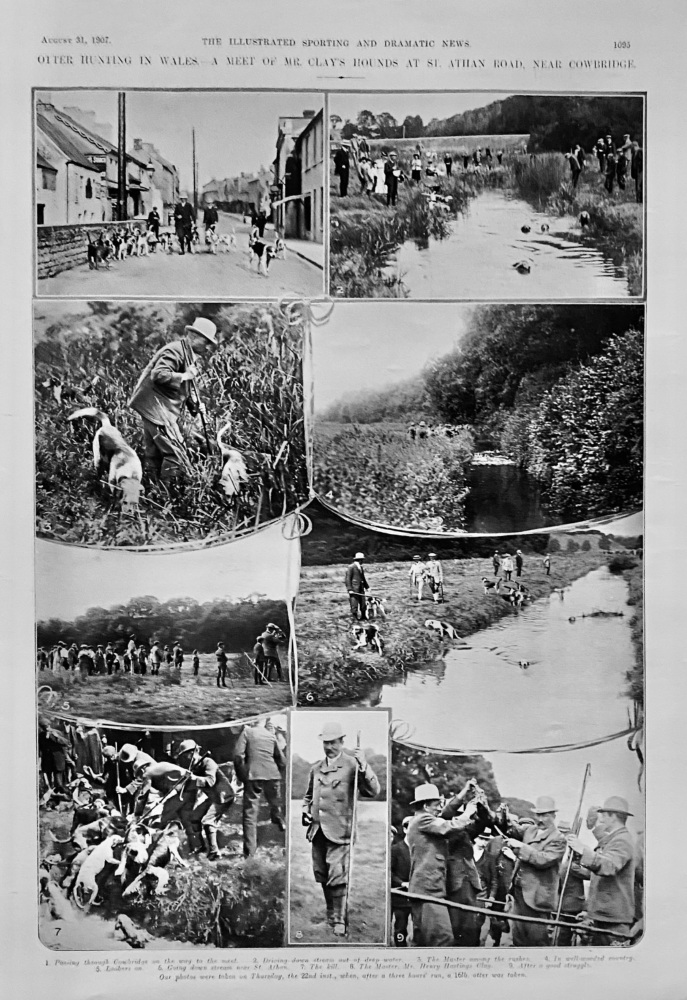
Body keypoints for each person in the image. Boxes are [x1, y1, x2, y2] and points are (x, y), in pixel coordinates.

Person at [302, 720, 380, 936]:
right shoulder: (316, 768)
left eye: (333, 743)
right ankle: (330, 913)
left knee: (338, 874)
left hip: (340, 829)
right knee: (322, 873)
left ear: (342, 741)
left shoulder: (353, 765)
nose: (329, 747)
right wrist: (306, 811)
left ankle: (339, 919)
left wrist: (364, 765)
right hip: (317, 830)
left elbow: (373, 791)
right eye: (325, 743)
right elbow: (308, 796)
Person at [129, 316, 217, 484]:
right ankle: (166, 493)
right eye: (206, 342)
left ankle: (151, 489)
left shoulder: (186, 354)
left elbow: (187, 387)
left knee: (153, 451)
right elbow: (159, 375)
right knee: (176, 451)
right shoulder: (175, 350)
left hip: (153, 407)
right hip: (157, 408)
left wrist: (197, 407)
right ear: (193, 337)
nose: (208, 347)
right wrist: (184, 375)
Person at [406, 782, 480, 946]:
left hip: (423, 889)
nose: (440, 808)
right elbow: (448, 825)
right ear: (425, 806)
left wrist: (462, 794)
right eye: (437, 804)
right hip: (429, 891)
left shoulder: (420, 820)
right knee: (443, 939)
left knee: (420, 941)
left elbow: (445, 814)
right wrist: (468, 812)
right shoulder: (423, 819)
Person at [566, 795, 636, 944]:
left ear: (614, 817)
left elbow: (608, 867)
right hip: (604, 917)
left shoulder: (623, 841)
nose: (601, 819)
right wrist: (590, 911)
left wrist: (583, 849)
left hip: (614, 921)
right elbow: (598, 879)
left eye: (604, 815)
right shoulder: (612, 840)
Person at [505, 796, 566, 946]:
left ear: (554, 816)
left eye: (545, 815)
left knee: (536, 941)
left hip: (537, 899)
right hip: (520, 893)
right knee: (518, 939)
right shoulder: (530, 831)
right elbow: (511, 829)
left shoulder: (558, 838)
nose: (540, 819)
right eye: (538, 815)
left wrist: (520, 847)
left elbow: (542, 860)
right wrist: (503, 816)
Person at [441, 781, 489, 946]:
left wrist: (481, 803)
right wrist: (463, 793)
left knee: (471, 925)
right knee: (456, 924)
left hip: (469, 883)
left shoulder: (467, 831)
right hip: (454, 882)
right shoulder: (443, 827)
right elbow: (445, 814)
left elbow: (483, 823)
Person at [233, 718, 286, 857]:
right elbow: (281, 759)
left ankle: (250, 854)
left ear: (251, 721)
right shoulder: (270, 735)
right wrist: (277, 773)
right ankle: (277, 815)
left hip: (253, 775)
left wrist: (242, 775)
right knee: (274, 799)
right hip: (272, 775)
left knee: (250, 815)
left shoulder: (247, 732)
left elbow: (238, 755)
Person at [176, 739, 235, 860]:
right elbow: (192, 785)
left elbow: (210, 782)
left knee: (208, 821)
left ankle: (214, 852)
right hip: (213, 797)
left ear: (197, 750)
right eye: (186, 754)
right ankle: (201, 847)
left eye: (190, 753)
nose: (188, 756)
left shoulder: (208, 762)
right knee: (194, 818)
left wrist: (193, 778)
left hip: (224, 797)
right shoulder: (194, 767)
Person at [555, 820, 588, 946]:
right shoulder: (572, 867)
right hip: (573, 906)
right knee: (567, 935)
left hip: (565, 904)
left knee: (565, 933)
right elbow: (590, 875)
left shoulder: (565, 864)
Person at [391, 816, 412, 945]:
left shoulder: (421, 850)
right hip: (401, 898)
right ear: (405, 829)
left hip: (417, 896)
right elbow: (390, 873)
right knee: (400, 928)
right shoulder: (396, 849)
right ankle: (400, 948)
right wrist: (402, 883)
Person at [345, 552, 369, 621]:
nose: (363, 561)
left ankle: (363, 616)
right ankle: (355, 618)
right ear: (360, 560)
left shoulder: (360, 567)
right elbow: (348, 579)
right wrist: (349, 589)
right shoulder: (351, 567)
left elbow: (363, 578)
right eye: (362, 560)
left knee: (363, 603)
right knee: (354, 603)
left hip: (361, 588)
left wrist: (367, 587)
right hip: (354, 589)